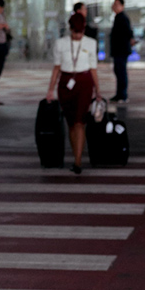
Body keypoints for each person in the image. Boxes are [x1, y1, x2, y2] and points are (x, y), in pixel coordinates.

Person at [46, 12, 101, 174]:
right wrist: (50, 90)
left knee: (80, 121)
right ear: (70, 29)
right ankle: (77, 154)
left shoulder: (91, 43)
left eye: (81, 32)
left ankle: (78, 161)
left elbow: (93, 68)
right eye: (76, 32)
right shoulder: (60, 44)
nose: (78, 35)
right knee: (71, 122)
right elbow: (56, 68)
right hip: (66, 84)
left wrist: (98, 90)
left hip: (84, 83)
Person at [110, 0, 134, 103]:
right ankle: (119, 94)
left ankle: (122, 95)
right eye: (114, 4)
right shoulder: (118, 17)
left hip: (121, 51)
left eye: (117, 4)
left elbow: (128, 32)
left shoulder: (122, 18)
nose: (114, 6)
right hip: (119, 51)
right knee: (118, 72)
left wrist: (130, 40)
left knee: (121, 72)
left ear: (122, 6)